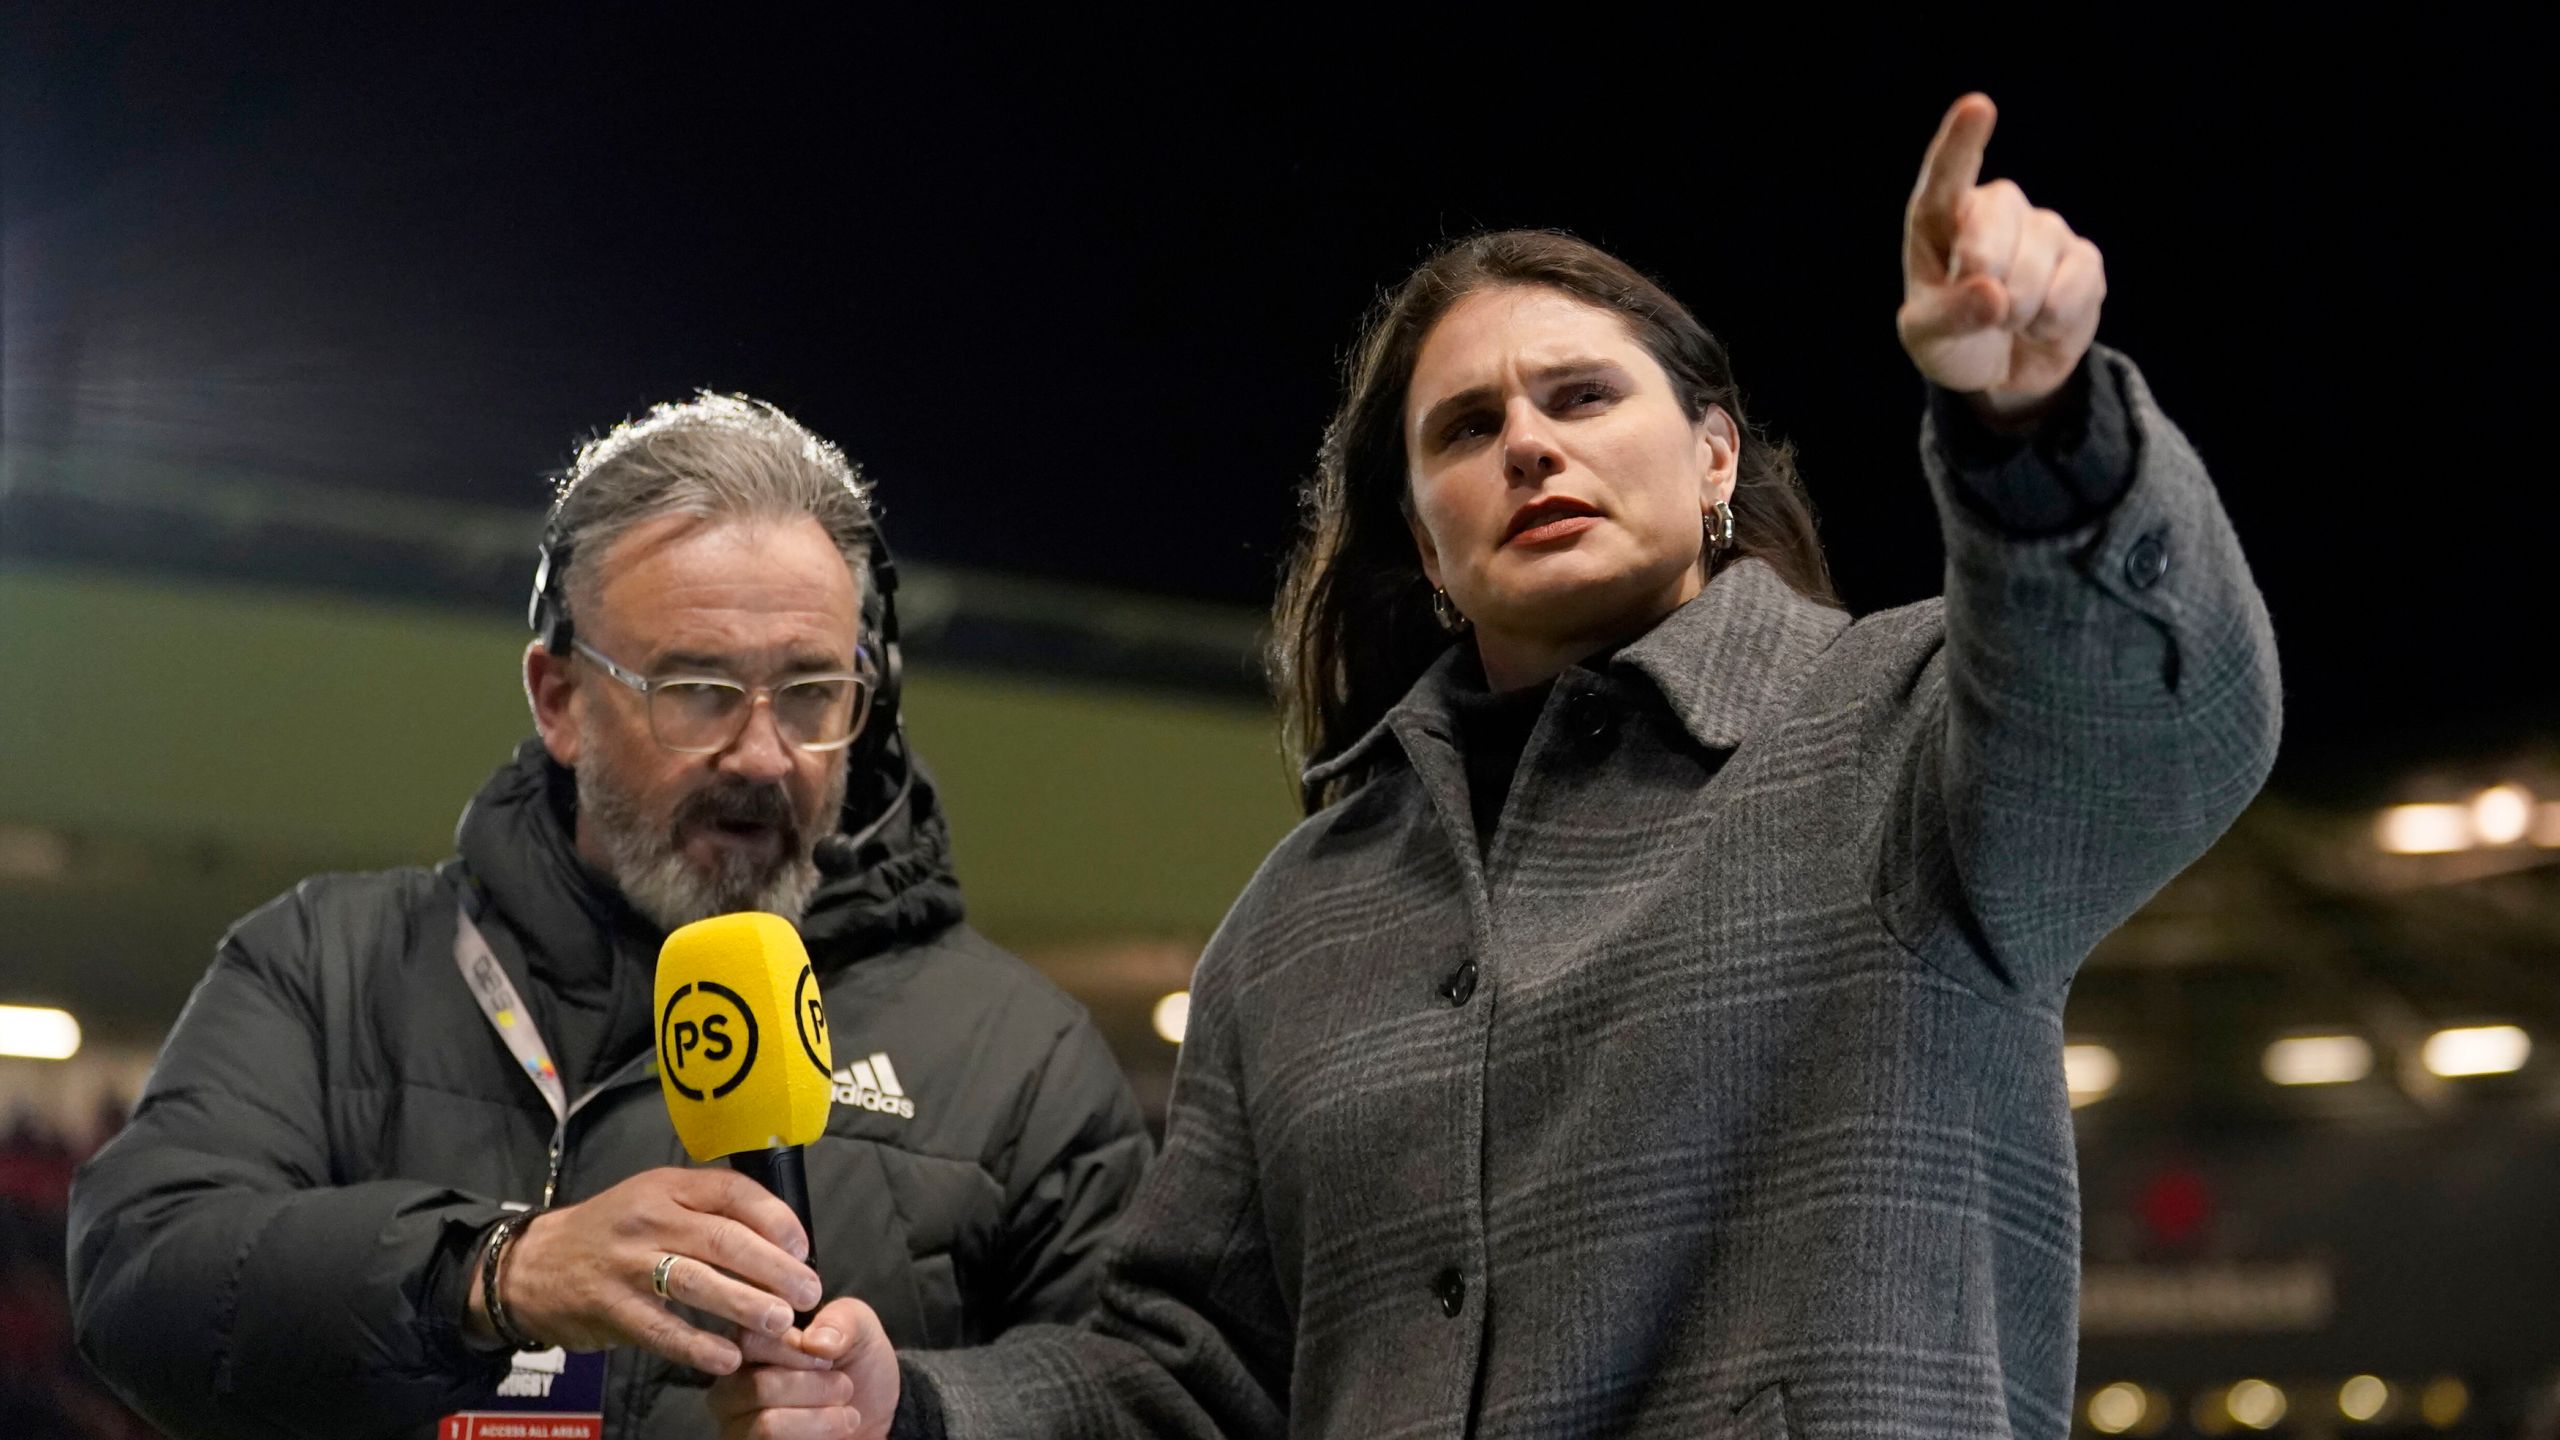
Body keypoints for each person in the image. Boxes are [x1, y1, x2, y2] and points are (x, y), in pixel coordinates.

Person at [713, 94, 2283, 1440]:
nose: (1529, 443)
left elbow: (2167, 731)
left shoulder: (1899, 729)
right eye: (1466, 429)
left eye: (1583, 395)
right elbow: (1184, 1376)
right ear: (1426, 545)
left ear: (1715, 455)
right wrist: (912, 1405)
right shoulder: (1300, 913)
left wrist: (2041, 424)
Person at [65, 395, 1152, 1440]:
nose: (764, 755)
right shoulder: (327, 966)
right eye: (698, 689)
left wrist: (918, 1414)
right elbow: (142, 1280)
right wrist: (496, 1272)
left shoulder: (1023, 1056)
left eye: (814, 692)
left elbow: (1149, 1397)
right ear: (559, 699)